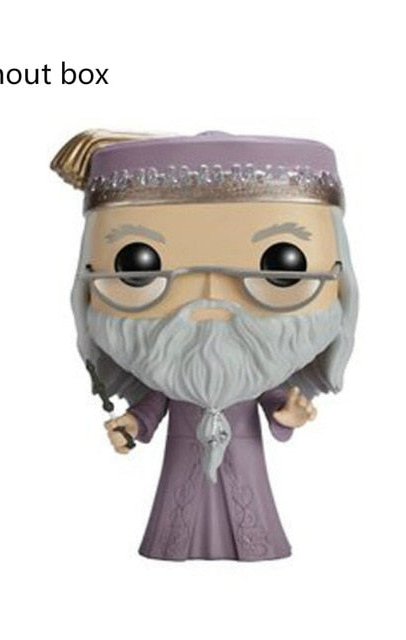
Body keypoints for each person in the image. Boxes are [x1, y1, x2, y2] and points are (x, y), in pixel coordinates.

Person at [51, 130, 358, 560]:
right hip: (183, 459)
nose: (210, 294)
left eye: (281, 265)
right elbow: (151, 408)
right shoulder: (172, 369)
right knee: (178, 512)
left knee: (250, 507)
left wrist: (287, 414)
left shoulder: (254, 367)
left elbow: (273, 401)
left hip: (245, 458)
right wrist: (131, 426)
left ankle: (252, 545)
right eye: (137, 265)